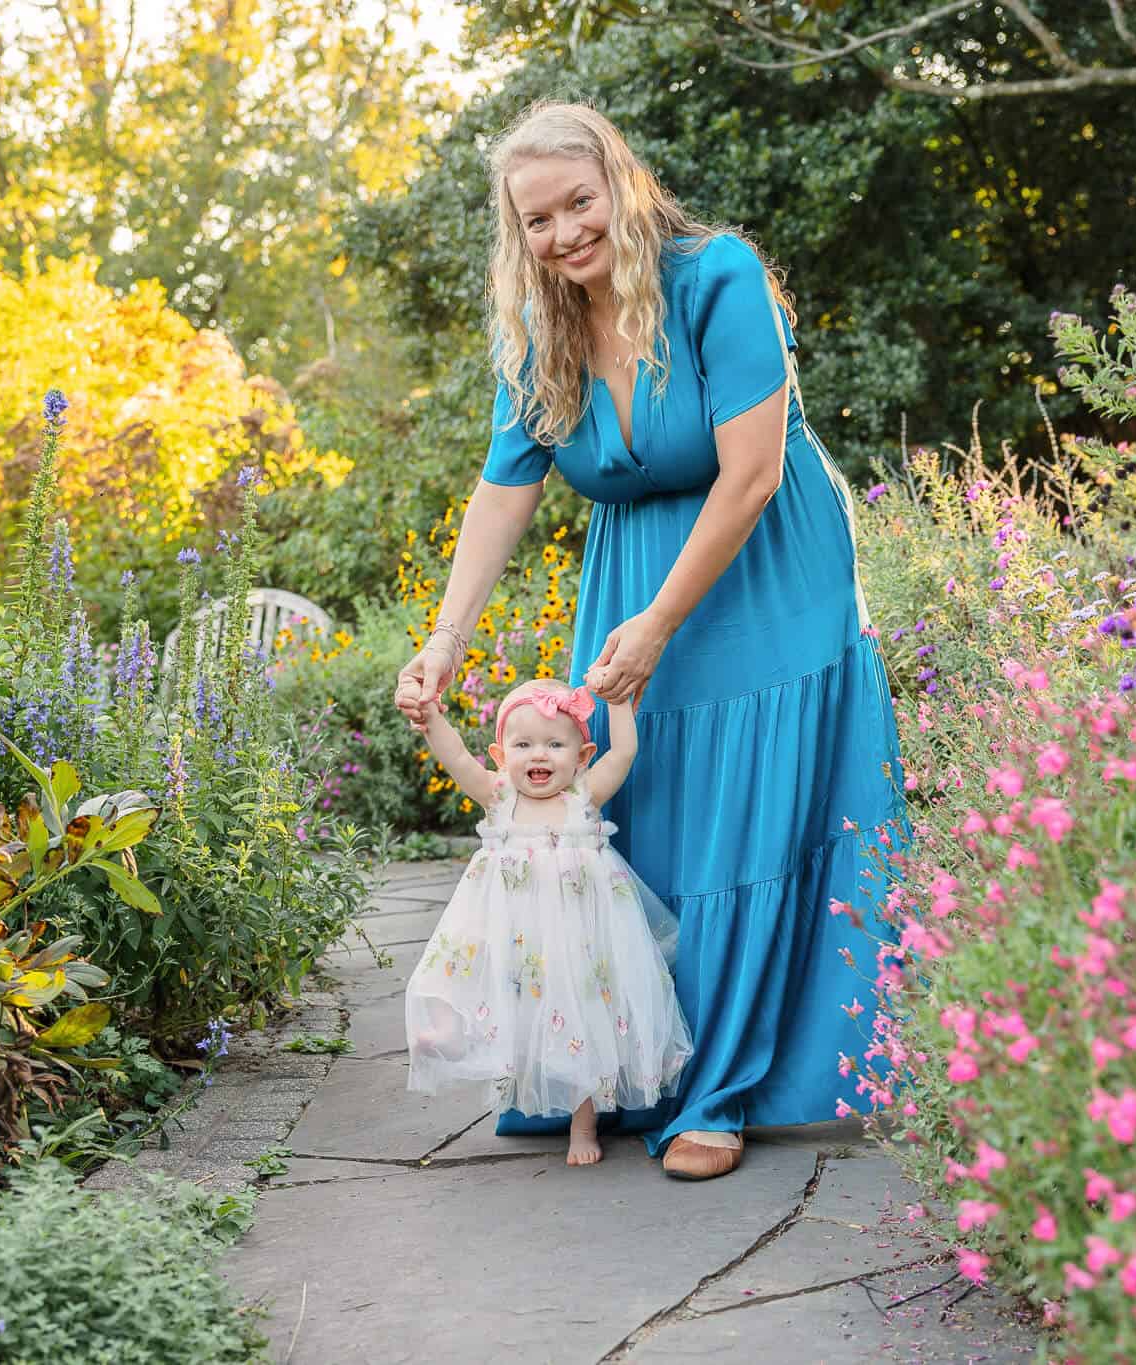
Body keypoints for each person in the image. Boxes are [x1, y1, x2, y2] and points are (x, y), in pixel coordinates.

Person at [393, 99, 909, 1181]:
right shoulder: (535, 328)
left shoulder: (716, 275)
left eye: (578, 202)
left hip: (763, 569)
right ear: (516, 232)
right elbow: (502, 489)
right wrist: (443, 637)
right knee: (641, 824)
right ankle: (630, 1070)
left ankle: (718, 1096)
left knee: (747, 832)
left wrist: (663, 623)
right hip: (631, 580)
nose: (564, 232)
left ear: (619, 183)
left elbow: (755, 472)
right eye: (536, 219)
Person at [404, 678, 693, 1167]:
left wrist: (619, 703)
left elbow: (623, 753)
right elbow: (456, 760)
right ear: (500, 754)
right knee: (469, 971)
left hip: (577, 943)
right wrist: (431, 719)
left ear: (581, 755)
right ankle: (452, 1030)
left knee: (580, 1020)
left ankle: (584, 1127)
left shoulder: (584, 795)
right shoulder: (499, 797)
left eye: (555, 744)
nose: (538, 755)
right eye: (523, 745)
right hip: (511, 935)